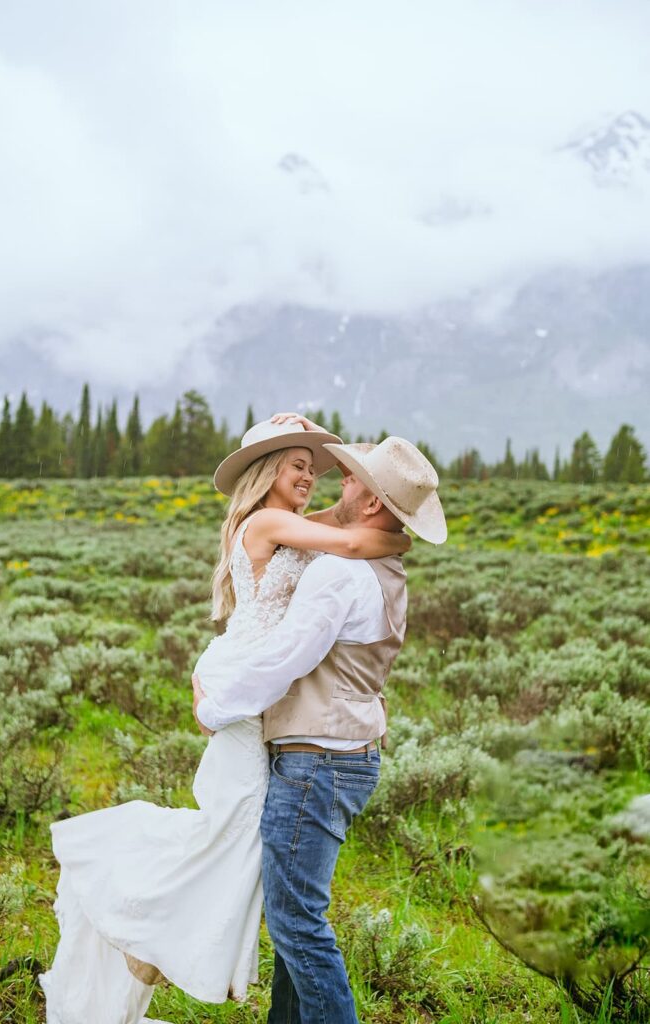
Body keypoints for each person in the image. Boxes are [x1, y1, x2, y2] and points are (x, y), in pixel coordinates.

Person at [40, 417, 409, 1024]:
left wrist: (325, 453)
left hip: (276, 713)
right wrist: (397, 536)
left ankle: (154, 932)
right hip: (255, 698)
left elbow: (343, 534)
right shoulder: (267, 523)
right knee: (241, 845)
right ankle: (149, 925)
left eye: (319, 472)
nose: (314, 478)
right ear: (266, 473)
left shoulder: (297, 531)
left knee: (254, 865)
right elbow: (348, 541)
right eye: (298, 467)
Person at [192, 423, 447, 1024]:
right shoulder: (382, 569)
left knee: (296, 921)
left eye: (350, 476)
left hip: (317, 758)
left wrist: (211, 707)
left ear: (373, 501)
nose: (335, 481)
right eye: (301, 467)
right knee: (293, 916)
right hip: (337, 751)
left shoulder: (339, 570)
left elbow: (287, 659)